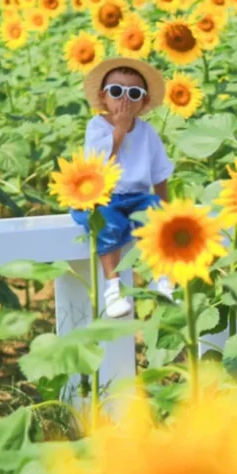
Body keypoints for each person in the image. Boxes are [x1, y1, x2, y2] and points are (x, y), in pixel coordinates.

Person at [71, 57, 174, 318]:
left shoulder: (148, 132)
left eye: (134, 93)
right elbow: (98, 165)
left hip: (139, 197)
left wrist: (165, 208)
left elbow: (160, 174)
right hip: (104, 196)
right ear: (103, 97)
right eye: (117, 92)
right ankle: (113, 287)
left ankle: (162, 280)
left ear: (145, 102)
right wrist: (120, 129)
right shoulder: (97, 126)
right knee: (106, 225)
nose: (124, 100)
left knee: (159, 224)